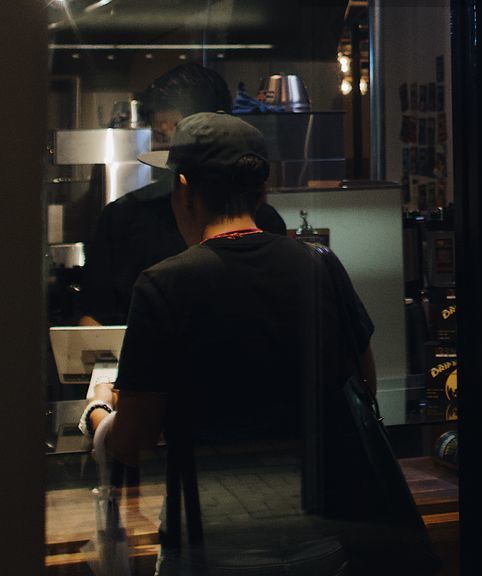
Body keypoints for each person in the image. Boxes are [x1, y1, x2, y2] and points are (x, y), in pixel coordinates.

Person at [80, 113, 378, 573]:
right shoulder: (320, 265)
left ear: (183, 188)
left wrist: (98, 413)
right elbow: (365, 383)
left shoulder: (164, 285)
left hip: (211, 547)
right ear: (262, 190)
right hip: (322, 541)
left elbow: (134, 443)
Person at [79, 64, 287, 326]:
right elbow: (93, 319)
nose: (167, 144)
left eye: (177, 131)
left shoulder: (265, 223)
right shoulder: (122, 217)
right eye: (158, 133)